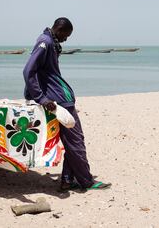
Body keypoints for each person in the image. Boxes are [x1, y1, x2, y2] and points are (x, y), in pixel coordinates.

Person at [23, 17, 111, 191]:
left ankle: (67, 180)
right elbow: (28, 71)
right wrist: (42, 98)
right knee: (76, 140)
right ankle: (86, 181)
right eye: (66, 35)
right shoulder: (45, 41)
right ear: (60, 30)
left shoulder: (50, 41)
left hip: (59, 98)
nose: (66, 39)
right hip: (58, 101)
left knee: (72, 141)